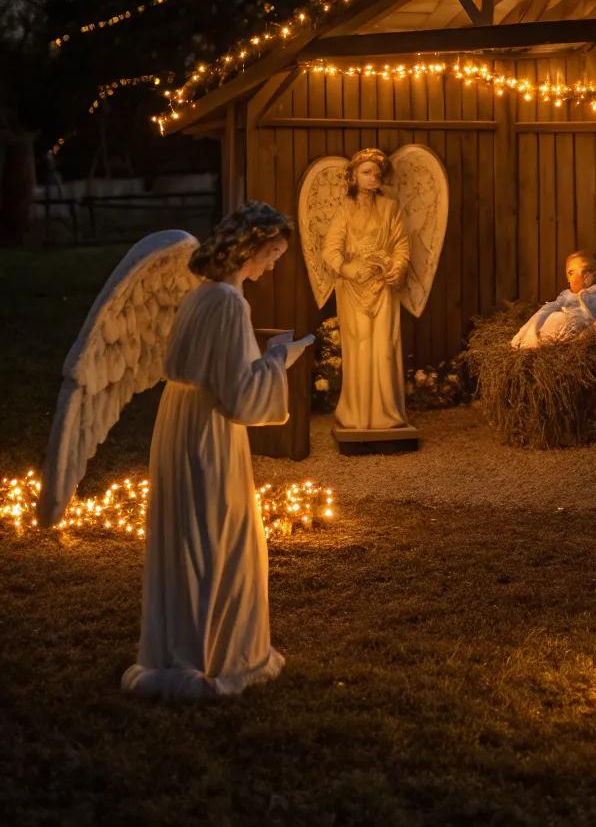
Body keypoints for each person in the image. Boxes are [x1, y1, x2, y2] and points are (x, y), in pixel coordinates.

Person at [122, 201, 310, 700]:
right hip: (208, 427)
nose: (273, 264)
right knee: (214, 534)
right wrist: (279, 359)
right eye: (272, 253)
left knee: (189, 533)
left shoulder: (199, 295)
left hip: (179, 419)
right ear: (250, 248)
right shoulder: (229, 303)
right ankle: (215, 656)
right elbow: (240, 396)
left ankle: (180, 648)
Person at [323, 147, 411, 429]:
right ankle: (357, 413)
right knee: (359, 348)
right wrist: (349, 269)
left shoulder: (390, 208)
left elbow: (401, 246)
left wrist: (397, 267)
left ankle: (385, 414)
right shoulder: (344, 209)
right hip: (352, 289)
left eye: (377, 173)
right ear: (354, 176)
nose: (373, 178)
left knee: (383, 347)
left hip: (383, 286)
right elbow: (330, 251)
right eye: (366, 172)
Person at [510, 251, 596, 349]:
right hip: (555, 332)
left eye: (587, 270)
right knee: (552, 317)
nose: (582, 275)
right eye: (571, 273)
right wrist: (526, 333)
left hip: (579, 333)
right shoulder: (567, 296)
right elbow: (545, 311)